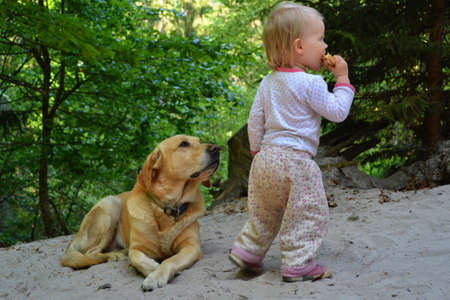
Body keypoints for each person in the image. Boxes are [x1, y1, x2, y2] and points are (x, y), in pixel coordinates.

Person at [229, 1, 356, 282]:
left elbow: (255, 119)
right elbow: (337, 112)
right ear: (299, 47)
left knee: (265, 211)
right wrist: (343, 79)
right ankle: (298, 263)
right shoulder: (311, 83)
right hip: (297, 162)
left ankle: (249, 250)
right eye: (320, 39)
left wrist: (255, 149)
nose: (325, 46)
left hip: (264, 160)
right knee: (306, 212)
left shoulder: (268, 82)